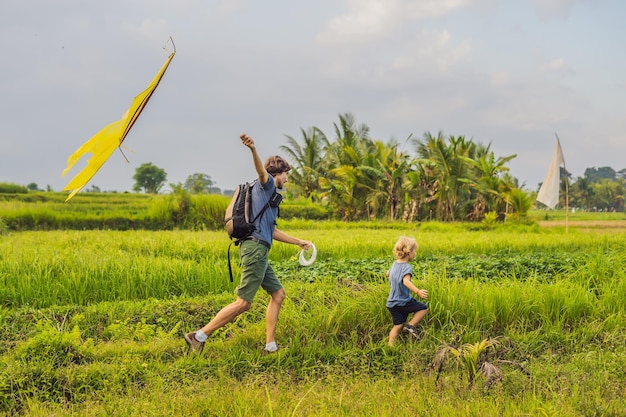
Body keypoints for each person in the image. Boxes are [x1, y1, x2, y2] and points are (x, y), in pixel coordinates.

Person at [184, 133, 312, 355]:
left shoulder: (263, 196)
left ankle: (270, 346)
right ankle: (198, 335)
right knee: (243, 303)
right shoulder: (266, 184)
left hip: (258, 248)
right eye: (286, 174)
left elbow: (270, 230)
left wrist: (297, 242)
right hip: (255, 250)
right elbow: (262, 173)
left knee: (278, 294)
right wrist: (253, 149)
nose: (287, 179)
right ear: (277, 174)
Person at [385, 236, 428, 346]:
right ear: (409, 252)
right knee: (423, 308)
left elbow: (387, 274)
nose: (415, 254)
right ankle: (410, 326)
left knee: (397, 326)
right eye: (415, 251)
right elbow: (406, 281)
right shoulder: (406, 267)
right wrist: (417, 291)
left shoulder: (394, 264)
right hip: (403, 301)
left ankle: (390, 347)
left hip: (391, 303)